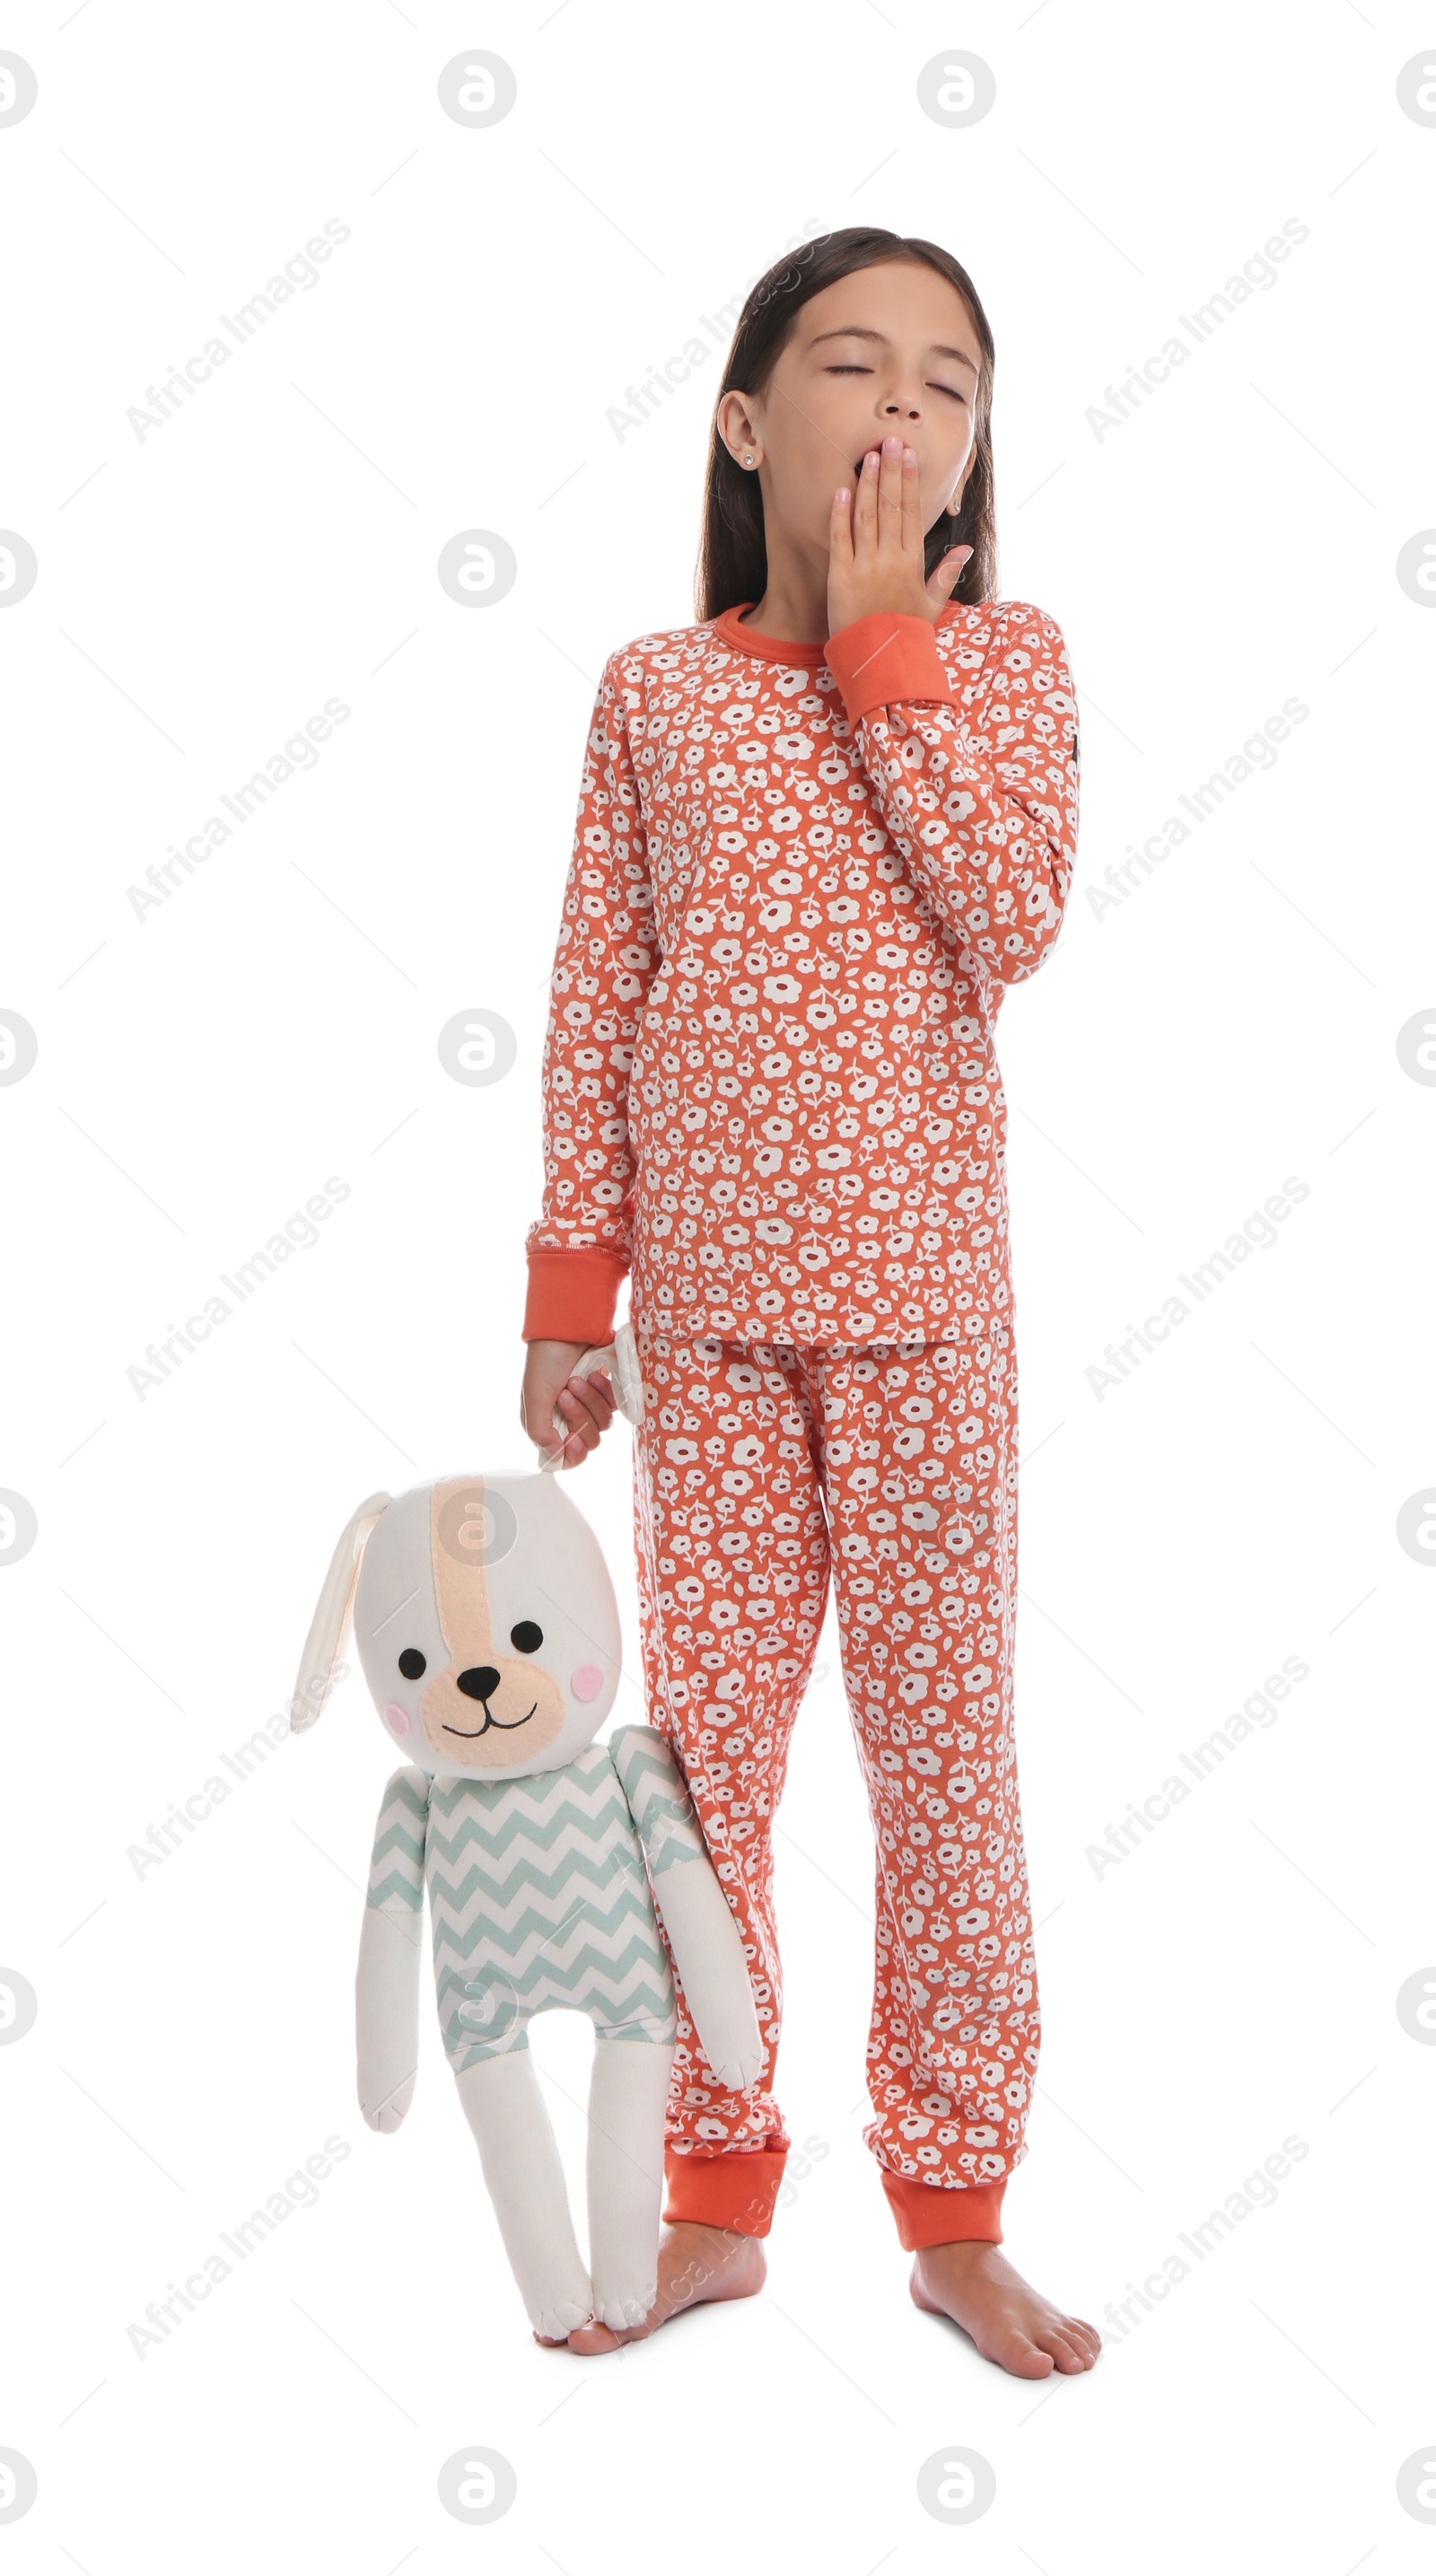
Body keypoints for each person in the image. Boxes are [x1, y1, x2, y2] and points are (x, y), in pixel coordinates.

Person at [518, 226, 1099, 2379]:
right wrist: (569, 1290)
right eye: (851, 366)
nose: (900, 405)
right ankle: (712, 2192)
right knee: (702, 1777)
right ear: (751, 423)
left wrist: (882, 650)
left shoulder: (1005, 662)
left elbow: (1007, 910)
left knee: (946, 1771)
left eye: (945, 380)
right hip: (712, 1333)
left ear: (968, 447)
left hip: (930, 1324)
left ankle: (953, 2212)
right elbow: (595, 996)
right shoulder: (651, 695)